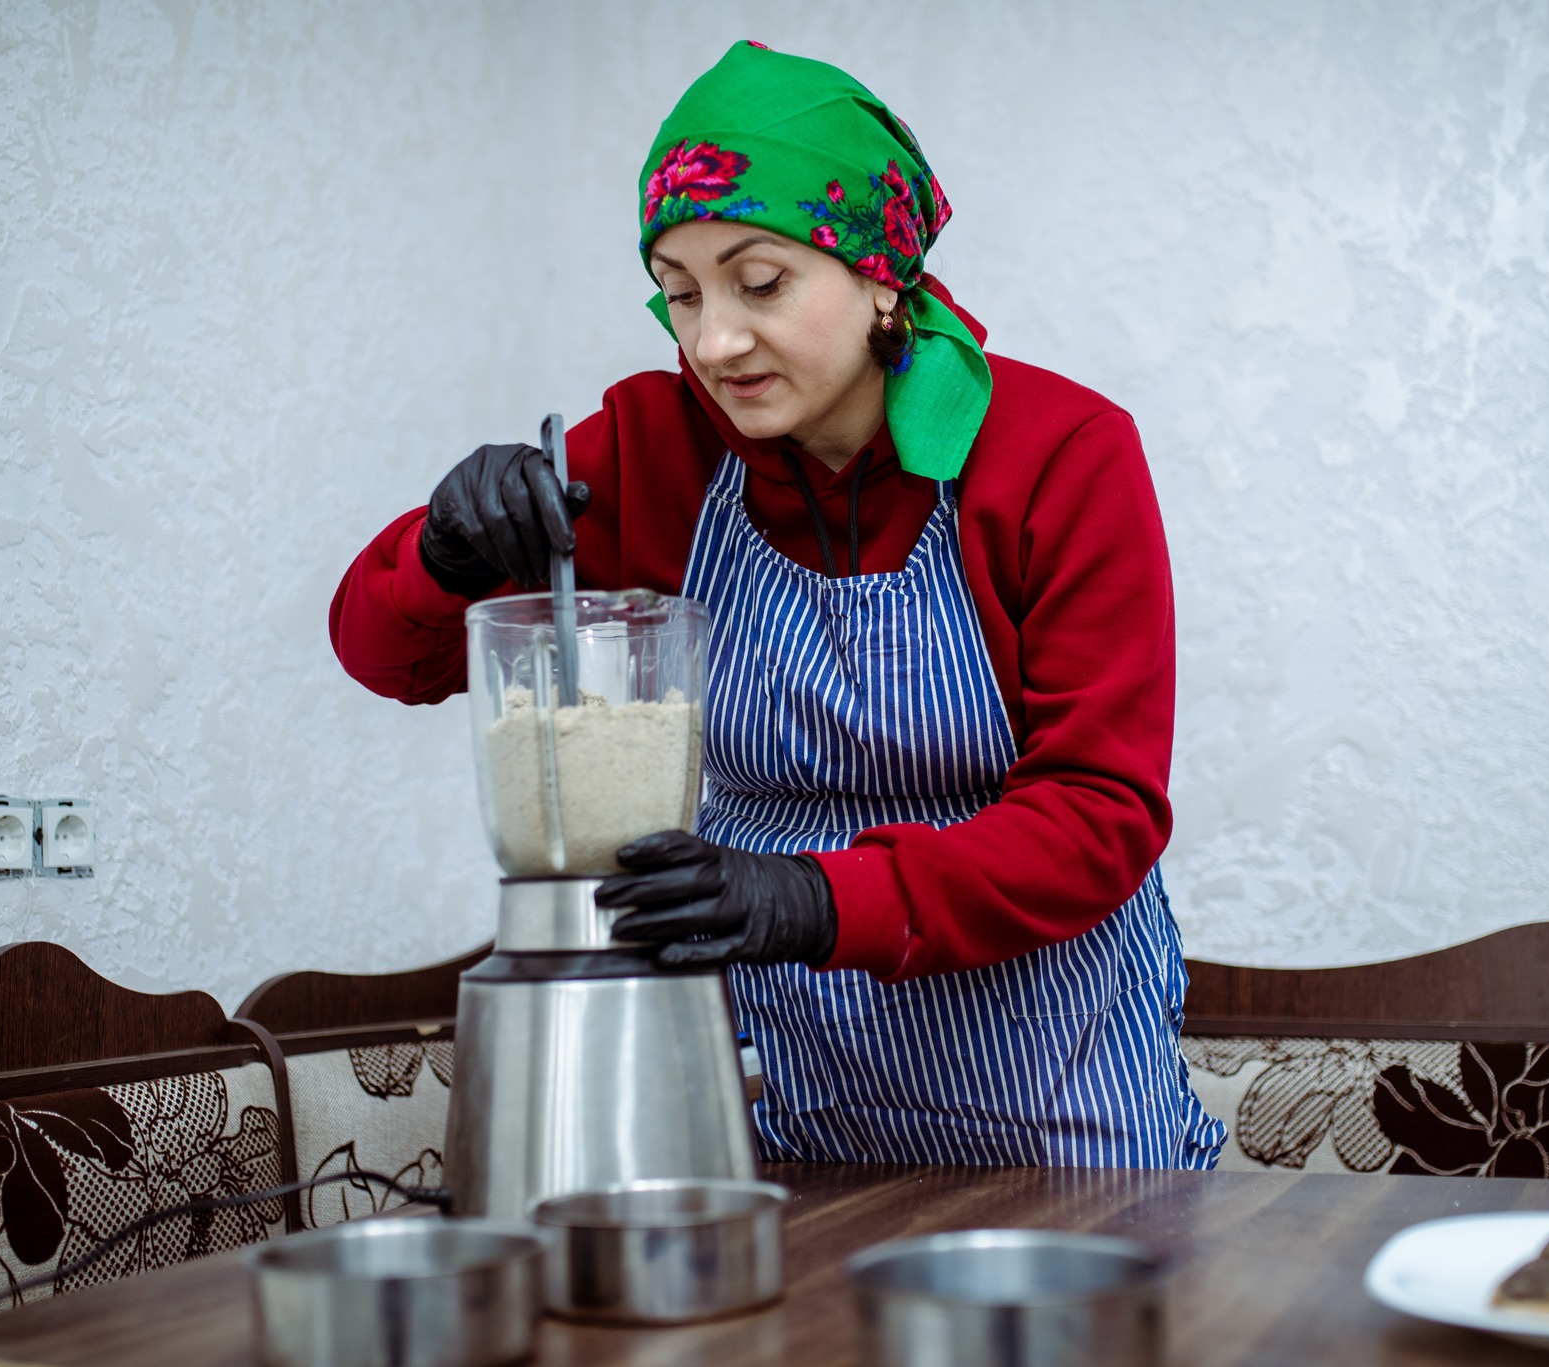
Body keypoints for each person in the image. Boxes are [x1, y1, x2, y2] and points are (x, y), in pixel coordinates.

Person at [330, 42, 1226, 1169]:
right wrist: (443, 547)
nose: (713, 341)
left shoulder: (1058, 456)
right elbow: (385, 655)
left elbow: (1100, 812)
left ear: (878, 272)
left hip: (1059, 1118)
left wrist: (811, 898)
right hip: (769, 1125)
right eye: (680, 292)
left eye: (759, 283)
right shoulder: (655, 452)